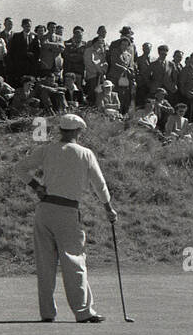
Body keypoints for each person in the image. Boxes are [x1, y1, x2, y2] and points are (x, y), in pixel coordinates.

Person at [17, 113, 118, 323]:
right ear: (77, 131)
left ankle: (47, 313)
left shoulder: (46, 149)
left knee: (45, 263)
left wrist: (36, 186)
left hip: (44, 210)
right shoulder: (85, 153)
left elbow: (20, 168)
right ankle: (83, 312)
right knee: (74, 260)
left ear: (61, 130)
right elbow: (99, 185)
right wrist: (108, 207)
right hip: (67, 211)